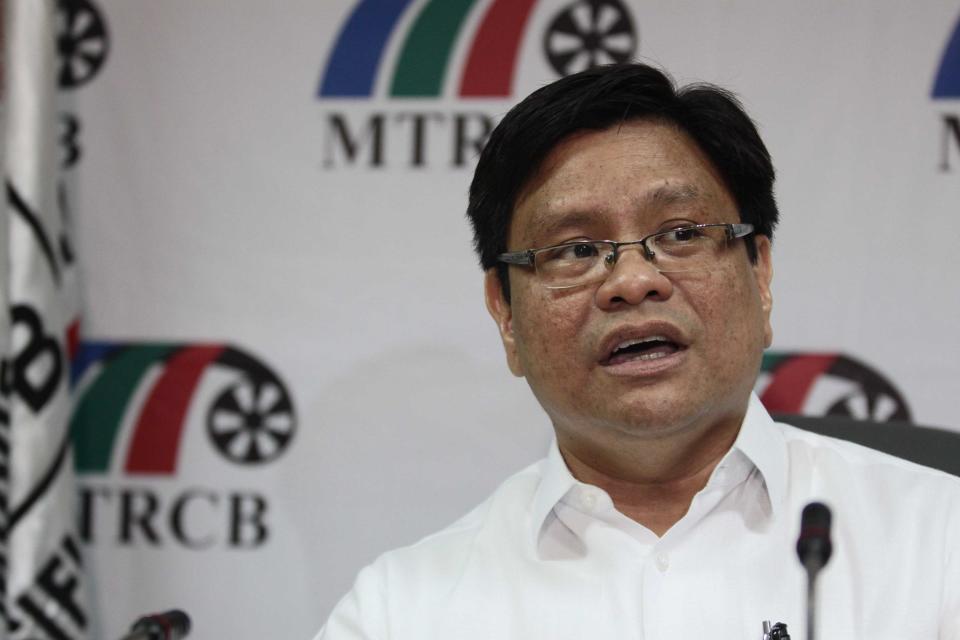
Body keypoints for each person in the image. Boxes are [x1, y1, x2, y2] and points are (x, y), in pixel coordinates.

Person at [315, 63, 960, 639]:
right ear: (505, 313)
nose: (631, 282)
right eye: (574, 250)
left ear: (760, 274)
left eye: (681, 233)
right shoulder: (401, 612)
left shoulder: (937, 545)